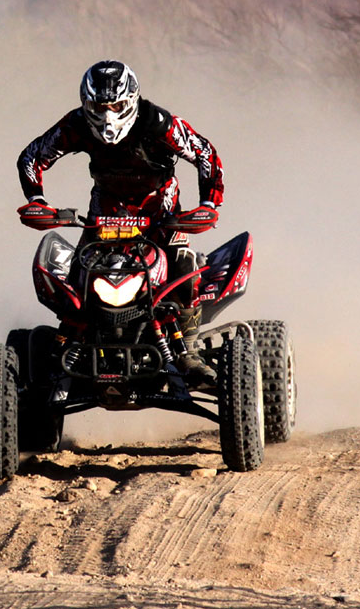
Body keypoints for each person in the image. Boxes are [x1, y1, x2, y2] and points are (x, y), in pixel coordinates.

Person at [15, 59, 225, 382]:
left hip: (160, 208)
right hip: (106, 209)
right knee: (78, 272)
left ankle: (188, 350)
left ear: (131, 99)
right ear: (87, 104)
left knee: (182, 264)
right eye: (99, 107)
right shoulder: (77, 125)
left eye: (115, 105)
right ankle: (70, 341)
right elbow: (32, 157)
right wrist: (37, 201)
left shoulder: (158, 123)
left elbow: (204, 153)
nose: (108, 115)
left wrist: (209, 203)